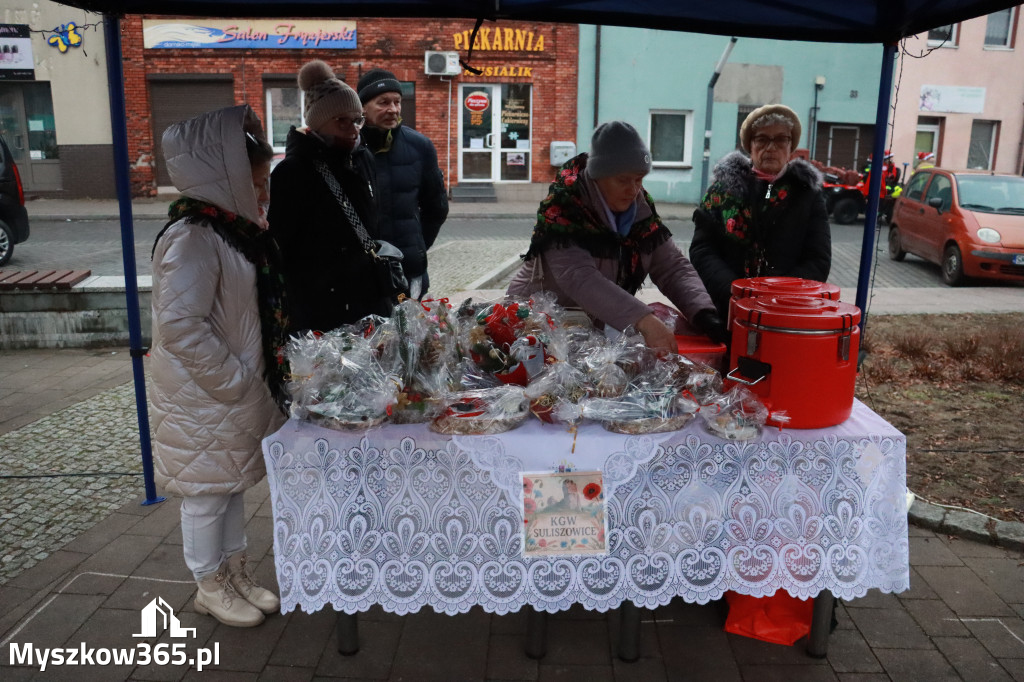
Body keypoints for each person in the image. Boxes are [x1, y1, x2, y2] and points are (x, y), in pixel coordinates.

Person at [151, 104, 288, 628]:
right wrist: (237, 383)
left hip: (231, 388)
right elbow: (182, 328)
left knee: (230, 486)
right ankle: (208, 583)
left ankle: (235, 572)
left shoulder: (232, 231)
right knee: (207, 496)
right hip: (206, 392)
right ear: (224, 177)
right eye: (255, 181)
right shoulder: (194, 237)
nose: (263, 192)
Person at [507, 120, 724, 353]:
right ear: (599, 177)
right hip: (534, 325)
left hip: (589, 327)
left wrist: (703, 313)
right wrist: (644, 320)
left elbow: (671, 266)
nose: (633, 189)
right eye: (622, 180)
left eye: (639, 179)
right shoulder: (564, 208)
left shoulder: (641, 211)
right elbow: (580, 278)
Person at [269, 60, 392, 333]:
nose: (353, 128)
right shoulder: (293, 172)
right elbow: (280, 248)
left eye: (357, 119)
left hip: (368, 302)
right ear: (318, 123)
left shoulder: (362, 159)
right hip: (321, 312)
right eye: (341, 121)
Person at [690, 104, 831, 320]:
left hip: (785, 312)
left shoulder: (807, 194)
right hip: (727, 309)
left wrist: (776, 295)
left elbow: (818, 259)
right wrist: (735, 292)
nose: (771, 147)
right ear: (750, 145)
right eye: (762, 139)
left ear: (791, 145)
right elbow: (703, 249)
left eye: (781, 139)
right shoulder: (723, 191)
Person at [357, 68, 449, 299]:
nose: (393, 109)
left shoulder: (420, 146)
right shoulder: (351, 149)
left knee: (411, 332)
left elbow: (436, 208)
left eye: (397, 102)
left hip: (409, 270)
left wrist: (417, 247)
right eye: (383, 102)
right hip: (363, 273)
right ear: (363, 108)